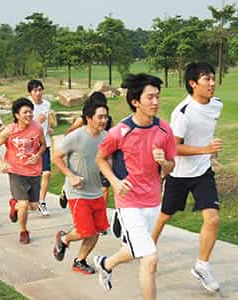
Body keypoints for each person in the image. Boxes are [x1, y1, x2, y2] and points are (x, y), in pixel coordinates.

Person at [92, 73, 177, 300]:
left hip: (153, 200)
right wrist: (115, 182)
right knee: (150, 258)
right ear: (135, 101)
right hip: (128, 202)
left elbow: (171, 167)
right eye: (150, 97)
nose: (156, 102)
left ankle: (106, 263)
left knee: (139, 249)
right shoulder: (120, 131)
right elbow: (100, 158)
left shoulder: (164, 130)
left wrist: (163, 162)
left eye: (157, 97)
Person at [149, 62, 224, 293]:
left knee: (212, 218)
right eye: (206, 79)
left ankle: (202, 266)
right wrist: (206, 150)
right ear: (193, 84)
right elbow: (174, 148)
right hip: (179, 174)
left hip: (202, 172)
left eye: (213, 78)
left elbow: (206, 132)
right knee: (164, 216)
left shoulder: (217, 105)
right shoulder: (182, 113)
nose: (212, 83)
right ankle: (146, 250)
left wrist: (210, 156)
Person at [51, 98, 110, 275]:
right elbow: (56, 157)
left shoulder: (105, 136)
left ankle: (80, 260)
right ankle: (64, 238)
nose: (103, 120)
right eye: (100, 117)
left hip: (97, 191)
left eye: (105, 117)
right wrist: (71, 175)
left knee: (97, 230)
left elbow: (107, 158)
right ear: (88, 117)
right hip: (78, 193)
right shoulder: (75, 137)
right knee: (86, 231)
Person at [0, 98, 47, 244]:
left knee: (33, 206)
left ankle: (13, 205)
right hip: (16, 170)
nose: (29, 115)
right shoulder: (10, 130)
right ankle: (23, 231)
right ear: (17, 115)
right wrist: (0, 162)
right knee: (24, 204)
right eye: (25, 112)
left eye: (30, 111)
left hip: (34, 171)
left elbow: (43, 145)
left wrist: (37, 155)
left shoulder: (37, 127)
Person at [28, 79, 56, 217]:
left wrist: (48, 128)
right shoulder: (27, 106)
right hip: (29, 145)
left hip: (44, 144)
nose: (38, 93)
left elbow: (46, 121)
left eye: (40, 90)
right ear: (30, 92)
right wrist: (36, 122)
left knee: (46, 173)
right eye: (35, 90)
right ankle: (23, 199)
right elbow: (22, 124)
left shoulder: (47, 104)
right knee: (30, 176)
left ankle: (42, 201)